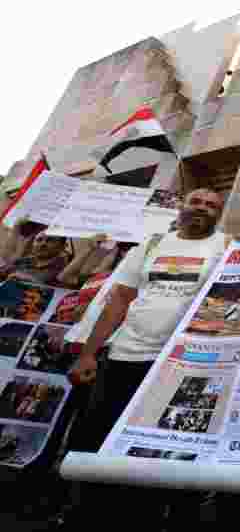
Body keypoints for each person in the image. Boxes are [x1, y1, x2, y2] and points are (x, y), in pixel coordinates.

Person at [56, 188, 228, 530]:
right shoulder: (150, 245)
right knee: (98, 440)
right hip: (124, 357)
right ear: (182, 206)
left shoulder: (227, 247)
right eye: (196, 201)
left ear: (219, 214)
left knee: (160, 448)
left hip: (182, 364)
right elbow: (118, 301)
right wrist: (89, 354)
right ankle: (84, 513)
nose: (202, 208)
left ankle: (147, 517)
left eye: (211, 206)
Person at [0, 218, 71, 285]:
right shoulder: (23, 261)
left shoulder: (64, 268)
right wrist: (16, 226)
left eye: (50, 240)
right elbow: (4, 266)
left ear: (62, 246)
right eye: (39, 240)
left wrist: (26, 279)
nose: (43, 244)